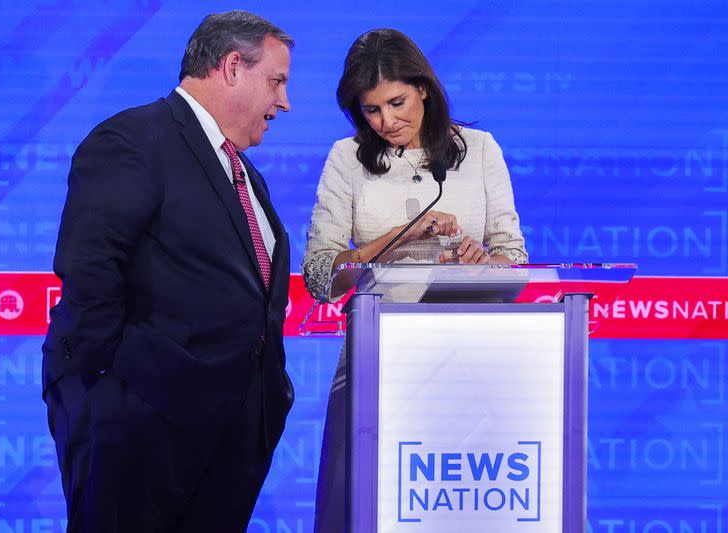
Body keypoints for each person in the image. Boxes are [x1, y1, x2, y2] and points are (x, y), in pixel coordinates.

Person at [41, 11, 294, 532]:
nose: (284, 101)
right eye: (277, 81)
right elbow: (90, 268)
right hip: (142, 426)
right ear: (231, 67)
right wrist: (106, 392)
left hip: (231, 435)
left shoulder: (242, 172)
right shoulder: (135, 138)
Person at [301, 28, 528, 531]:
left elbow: (512, 259)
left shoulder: (481, 150)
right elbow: (320, 275)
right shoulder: (347, 159)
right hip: (376, 360)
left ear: (423, 87)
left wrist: (483, 260)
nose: (387, 121)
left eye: (397, 102)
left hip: (469, 358)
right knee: (359, 508)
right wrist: (401, 236)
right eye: (372, 110)